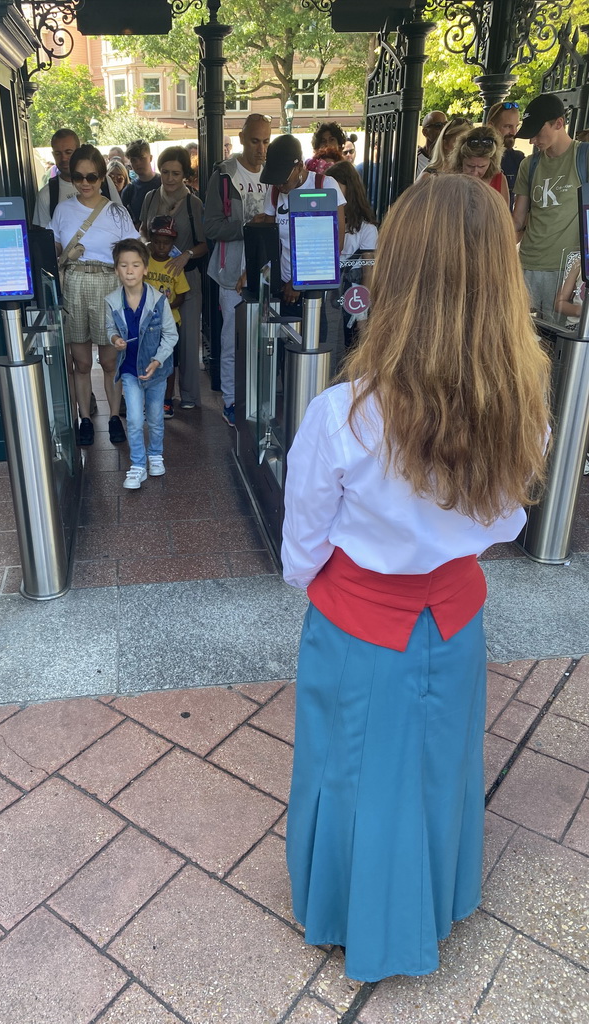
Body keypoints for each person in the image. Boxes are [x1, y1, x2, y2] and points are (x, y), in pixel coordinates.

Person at [282, 173, 550, 983]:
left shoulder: (343, 415)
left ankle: (346, 913)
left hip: (360, 624)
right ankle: (437, 899)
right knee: (441, 763)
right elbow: (505, 524)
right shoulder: (523, 406)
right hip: (457, 619)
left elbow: (301, 551)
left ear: (392, 275)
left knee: (349, 768)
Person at [49, 145, 138, 446]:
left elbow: (135, 252)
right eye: (78, 177)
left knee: (111, 361)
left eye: (92, 177)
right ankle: (84, 418)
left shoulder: (116, 212)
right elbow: (55, 249)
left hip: (108, 285)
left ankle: (115, 417)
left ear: (102, 177)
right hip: (74, 283)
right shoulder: (62, 210)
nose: (85, 183)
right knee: (81, 362)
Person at [204, 112, 272, 427]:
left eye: (266, 141)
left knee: (264, 339)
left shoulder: (276, 173)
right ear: (242, 138)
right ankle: (230, 401)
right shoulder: (224, 175)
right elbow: (211, 226)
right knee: (232, 339)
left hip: (267, 271)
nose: (261, 148)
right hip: (231, 271)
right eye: (255, 140)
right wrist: (248, 226)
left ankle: (260, 399)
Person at [139, 145, 208, 411]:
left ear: (185, 175)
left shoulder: (194, 203)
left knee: (188, 342)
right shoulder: (149, 198)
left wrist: (186, 255)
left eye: (176, 173)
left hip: (184, 278)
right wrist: (147, 245)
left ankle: (189, 396)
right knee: (151, 340)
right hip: (154, 278)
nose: (169, 178)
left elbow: (205, 244)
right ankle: (157, 397)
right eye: (165, 172)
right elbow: (143, 230)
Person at [106, 238, 178, 489]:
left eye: (135, 265)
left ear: (145, 268)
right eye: (124, 265)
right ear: (116, 270)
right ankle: (137, 464)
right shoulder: (113, 301)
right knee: (135, 419)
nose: (129, 271)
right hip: (129, 371)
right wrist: (115, 338)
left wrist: (158, 360)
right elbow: (109, 329)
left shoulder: (158, 301)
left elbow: (171, 335)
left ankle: (155, 454)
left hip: (156, 373)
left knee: (156, 418)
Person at [512, 93, 589, 320]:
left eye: (537, 132)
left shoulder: (583, 156)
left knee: (558, 346)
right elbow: (517, 220)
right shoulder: (530, 164)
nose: (532, 141)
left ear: (559, 123)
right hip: (526, 265)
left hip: (566, 272)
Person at [261, 134, 346, 315]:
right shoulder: (274, 192)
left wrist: (299, 282)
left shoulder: (324, 185)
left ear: (299, 166)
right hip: (282, 286)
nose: (279, 185)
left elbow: (335, 244)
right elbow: (269, 240)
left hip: (313, 287)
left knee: (313, 340)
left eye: (283, 179)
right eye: (275, 179)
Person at [327, 160, 378, 348]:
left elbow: (368, 273)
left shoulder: (367, 230)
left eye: (335, 185)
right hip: (328, 303)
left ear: (349, 188)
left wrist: (362, 314)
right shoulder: (325, 221)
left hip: (353, 304)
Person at [145, 215, 190, 418]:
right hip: (145, 324)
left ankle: (166, 400)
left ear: (173, 243)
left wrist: (165, 308)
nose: (161, 246)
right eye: (157, 242)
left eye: (166, 243)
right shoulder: (144, 264)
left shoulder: (175, 266)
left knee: (168, 363)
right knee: (147, 361)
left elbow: (182, 295)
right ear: (151, 241)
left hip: (170, 324)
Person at [33, 129, 121, 229]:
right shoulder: (47, 194)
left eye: (68, 152)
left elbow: (121, 221)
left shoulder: (105, 182)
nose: (63, 158)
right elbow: (45, 237)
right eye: (58, 154)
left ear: (78, 152)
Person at [449, 124, 510, 204]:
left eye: (481, 166)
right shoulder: (449, 179)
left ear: (492, 163)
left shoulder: (499, 180)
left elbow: (504, 215)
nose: (475, 172)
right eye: (470, 166)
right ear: (460, 160)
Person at [487, 101, 523, 207]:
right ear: (491, 126)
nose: (514, 132)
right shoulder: (477, 157)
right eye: (508, 126)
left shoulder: (518, 159)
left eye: (516, 126)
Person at [122, 140, 161, 227]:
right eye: (133, 160)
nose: (138, 163)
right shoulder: (129, 191)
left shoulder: (164, 183)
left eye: (141, 158)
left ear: (150, 158)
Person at [416, 110, 448, 176]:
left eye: (446, 125)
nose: (443, 129)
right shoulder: (415, 161)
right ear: (425, 132)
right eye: (438, 125)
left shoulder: (450, 159)